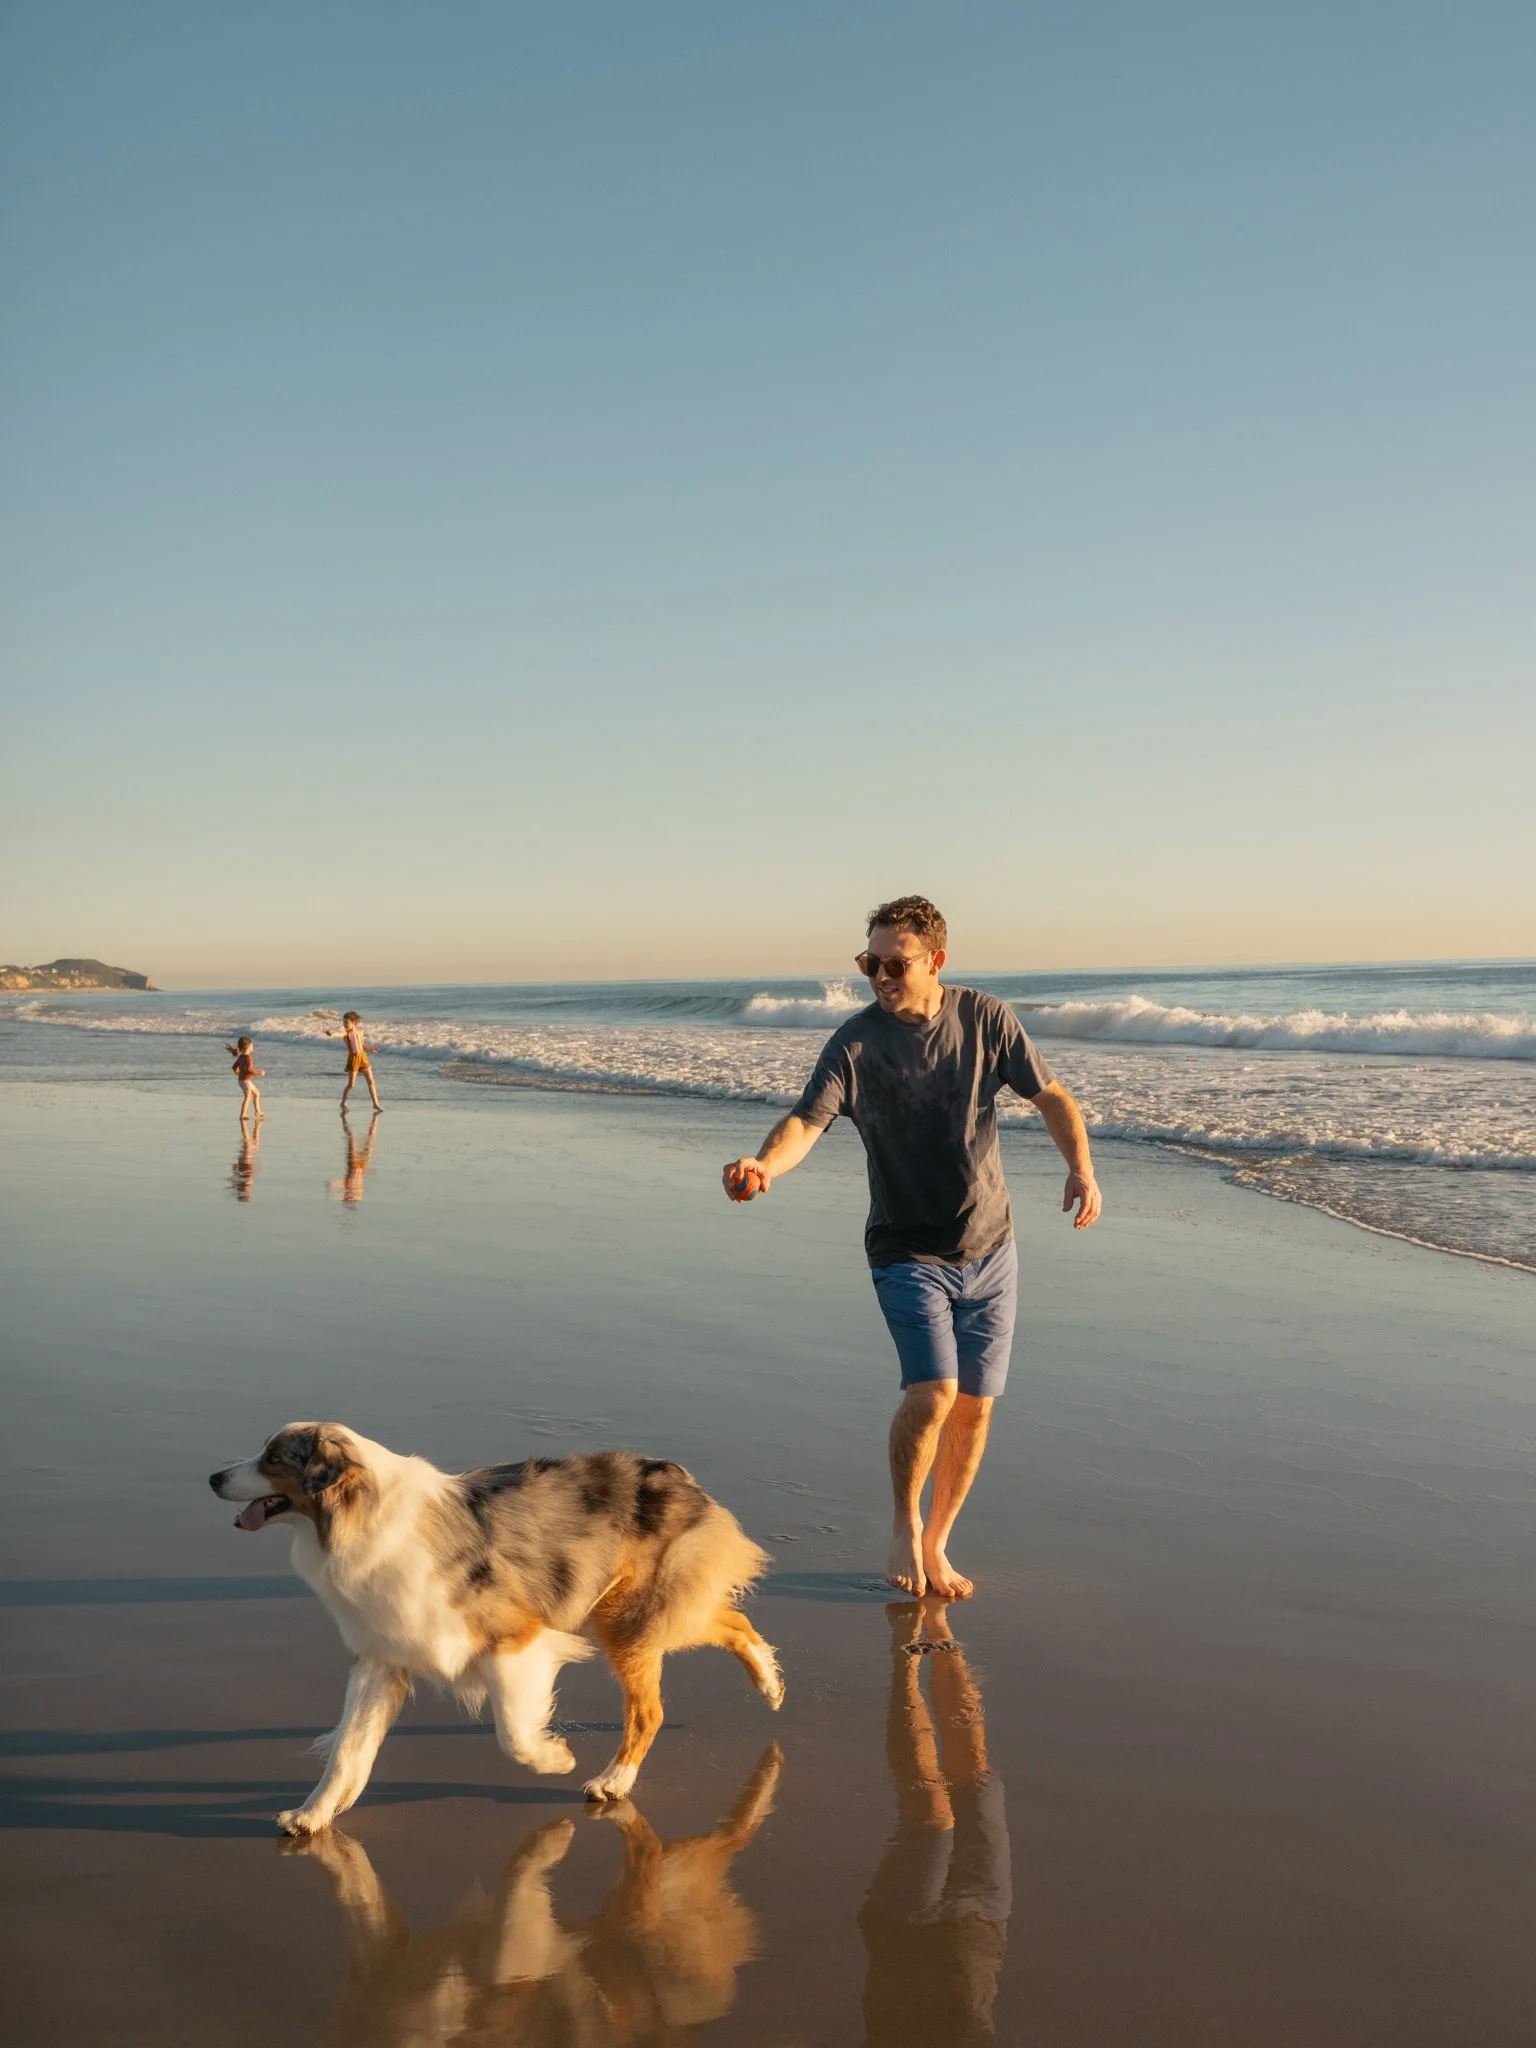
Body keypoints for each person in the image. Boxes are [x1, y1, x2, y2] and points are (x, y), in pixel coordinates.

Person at [721, 896, 1101, 1599]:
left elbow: (1050, 1096)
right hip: (904, 1251)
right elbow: (807, 1122)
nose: (880, 976)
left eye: (895, 963)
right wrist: (764, 1165)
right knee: (934, 1393)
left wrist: (1079, 1165)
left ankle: (938, 1541)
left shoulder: (986, 1020)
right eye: (871, 963)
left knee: (977, 1406)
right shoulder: (856, 1044)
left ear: (936, 962)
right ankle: (903, 1522)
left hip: (991, 1246)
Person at [859, 1600, 1011, 2048]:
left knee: (929, 1813)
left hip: (904, 1937)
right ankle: (941, 1635)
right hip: (982, 1929)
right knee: (978, 1781)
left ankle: (905, 1657)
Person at [325, 1011, 382, 1113]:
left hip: (363, 1057)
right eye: (343, 1023)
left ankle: (375, 1104)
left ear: (353, 1022)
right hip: (353, 1059)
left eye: (347, 1023)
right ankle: (343, 1103)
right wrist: (332, 1034)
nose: (344, 1025)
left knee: (371, 1082)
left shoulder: (360, 1031)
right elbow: (339, 1034)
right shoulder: (346, 1033)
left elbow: (362, 1044)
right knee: (351, 1085)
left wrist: (370, 1049)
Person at [225, 1036, 265, 1122]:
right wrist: (259, 1073)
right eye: (252, 1045)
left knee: (257, 1093)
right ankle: (243, 1115)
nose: (253, 1046)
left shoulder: (241, 1057)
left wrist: (239, 1074)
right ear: (248, 1046)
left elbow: (234, 1067)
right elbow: (249, 1069)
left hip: (242, 1080)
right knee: (248, 1097)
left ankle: (257, 1111)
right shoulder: (248, 1057)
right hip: (246, 1081)